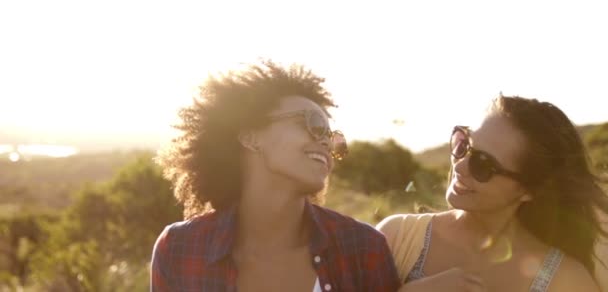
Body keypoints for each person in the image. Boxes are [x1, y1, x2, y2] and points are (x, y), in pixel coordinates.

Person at [150, 61, 400, 291]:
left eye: (333, 137)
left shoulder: (362, 247)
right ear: (251, 136)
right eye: (313, 124)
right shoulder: (179, 248)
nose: (325, 141)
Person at [377, 94, 608, 291]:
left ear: (530, 190)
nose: (459, 166)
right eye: (463, 145)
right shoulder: (396, 237)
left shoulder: (566, 281)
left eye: (483, 165)